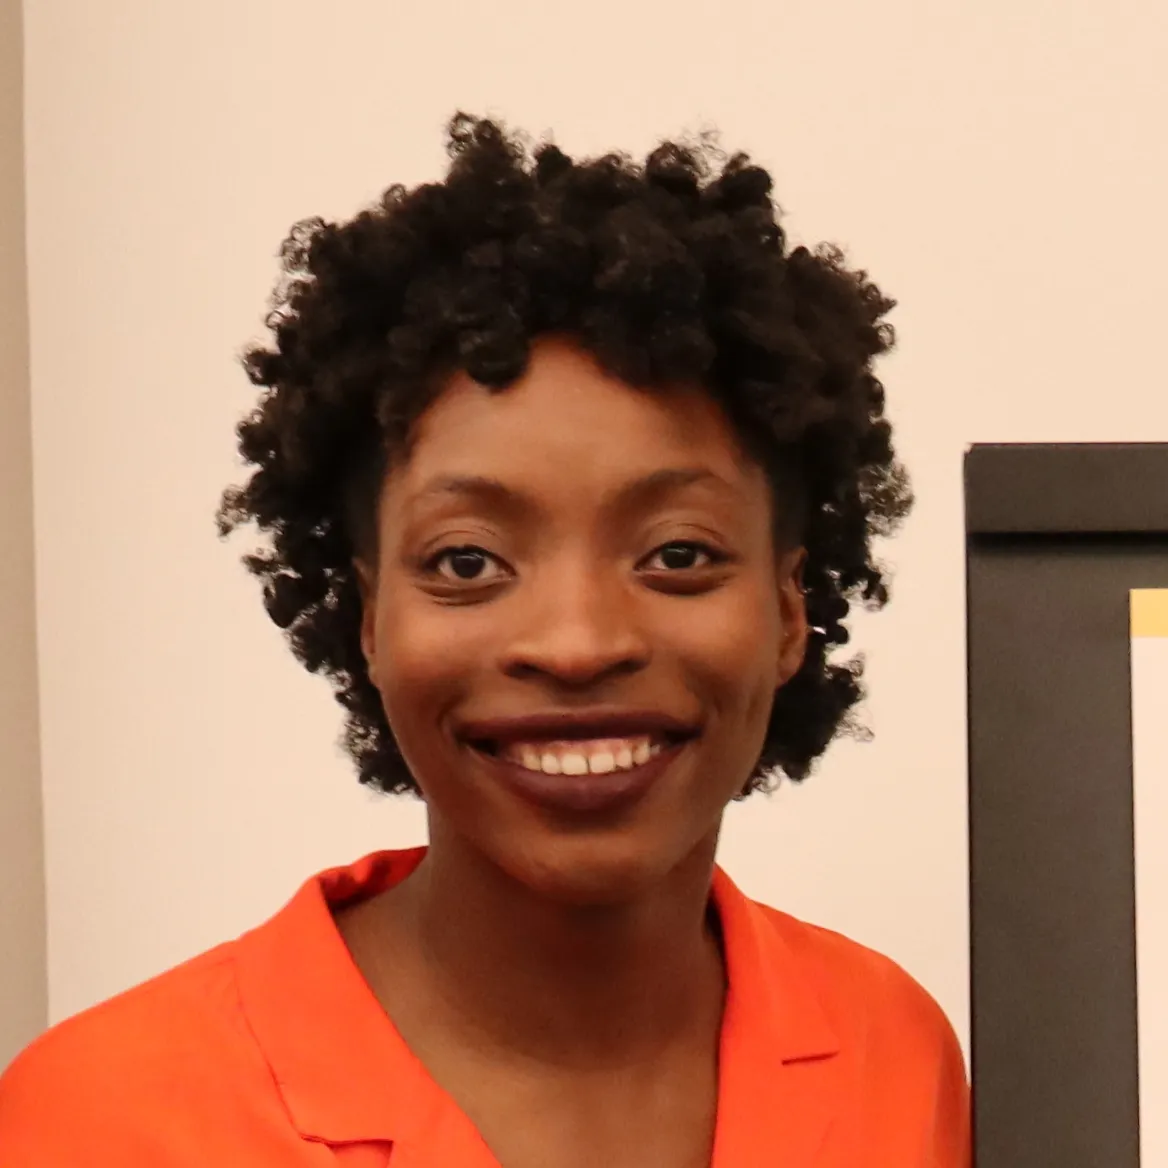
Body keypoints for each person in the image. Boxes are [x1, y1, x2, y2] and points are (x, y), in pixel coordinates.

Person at [0, 113, 969, 1167]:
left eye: (677, 554)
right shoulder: (98, 1120)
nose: (577, 641)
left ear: (789, 609)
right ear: (368, 616)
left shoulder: (896, 1056)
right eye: (467, 562)